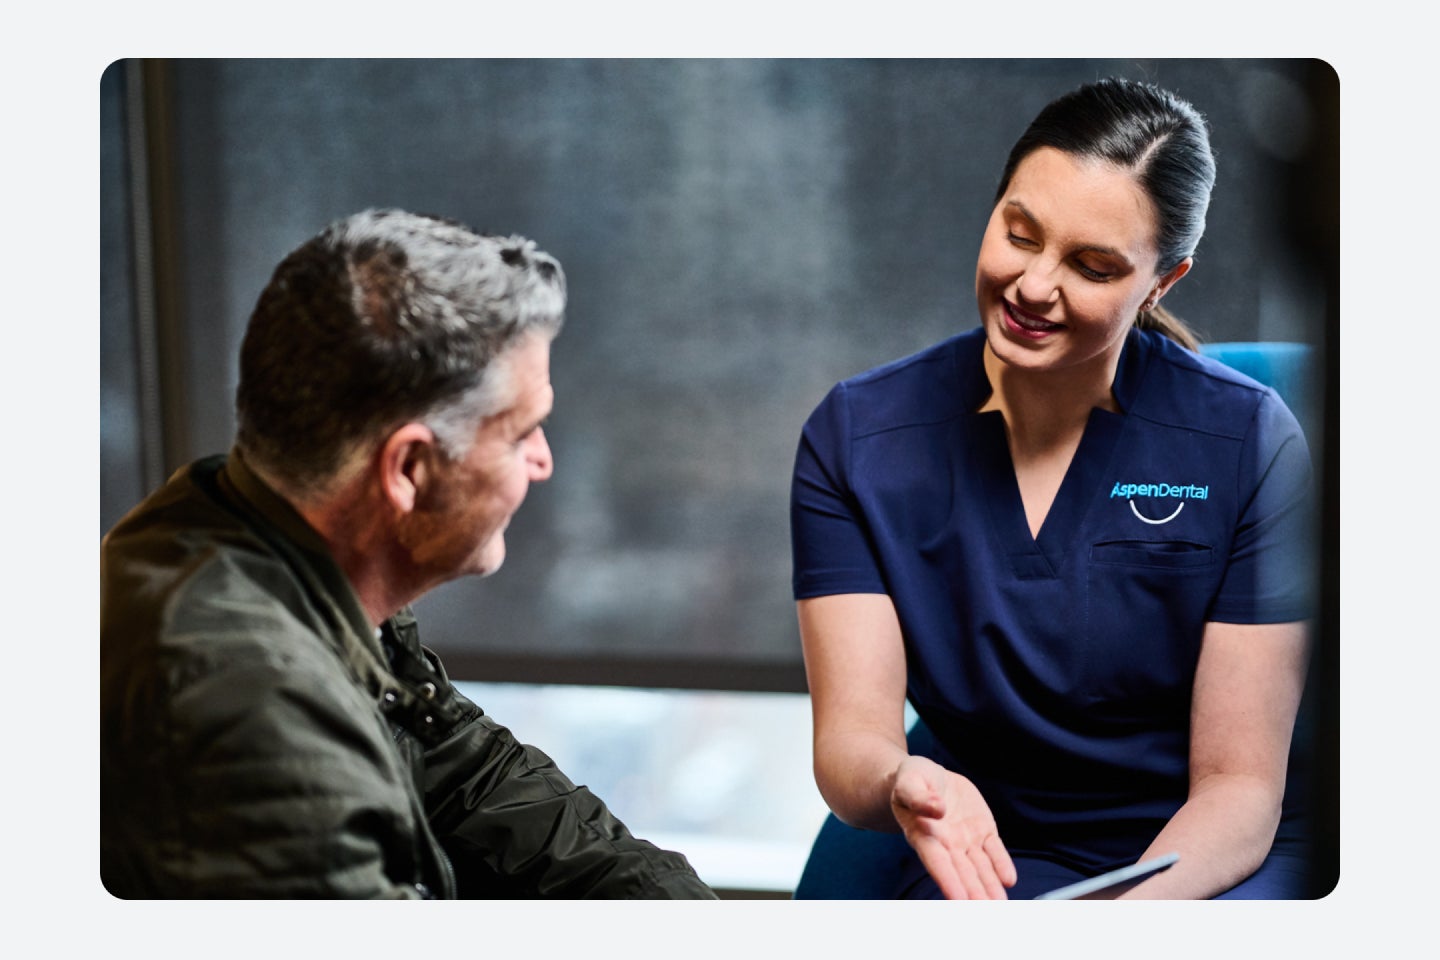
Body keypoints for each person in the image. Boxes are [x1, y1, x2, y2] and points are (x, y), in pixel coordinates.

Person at [789, 78, 1315, 900]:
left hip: (1204, 863)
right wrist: (905, 782)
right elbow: (853, 743)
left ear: (1163, 281)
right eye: (1019, 233)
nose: (1034, 286)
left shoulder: (1245, 440)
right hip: (996, 853)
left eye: (1092, 265)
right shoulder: (858, 441)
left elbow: (1238, 792)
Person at [101, 209, 717, 899]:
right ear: (411, 470)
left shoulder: (266, 529)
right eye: (522, 434)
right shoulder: (250, 715)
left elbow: (466, 774)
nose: (544, 461)